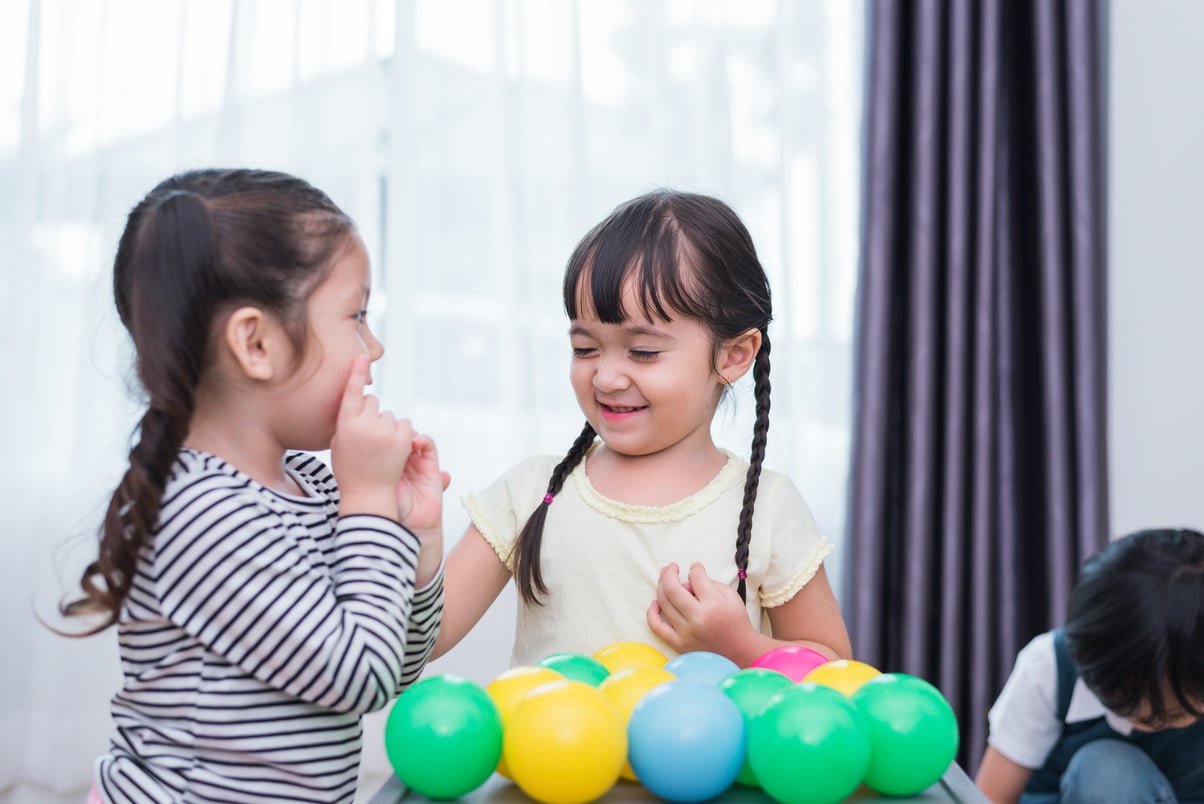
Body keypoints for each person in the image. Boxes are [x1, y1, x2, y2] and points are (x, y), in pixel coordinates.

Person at [61, 169, 447, 803]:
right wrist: (371, 506)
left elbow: (394, 667)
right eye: (356, 316)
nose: (373, 347)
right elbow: (360, 676)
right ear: (256, 343)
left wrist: (418, 539)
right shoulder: (204, 513)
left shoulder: (312, 489)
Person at [432, 189, 851, 669]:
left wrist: (740, 646)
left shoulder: (769, 509)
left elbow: (834, 670)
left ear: (734, 355)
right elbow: (419, 639)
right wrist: (412, 534)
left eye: (644, 352)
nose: (606, 378)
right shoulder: (531, 492)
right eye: (586, 348)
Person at [975, 528, 1204, 803]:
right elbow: (991, 798)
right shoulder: (1049, 667)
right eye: (1124, 703)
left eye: (1175, 714)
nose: (1150, 721)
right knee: (1107, 773)